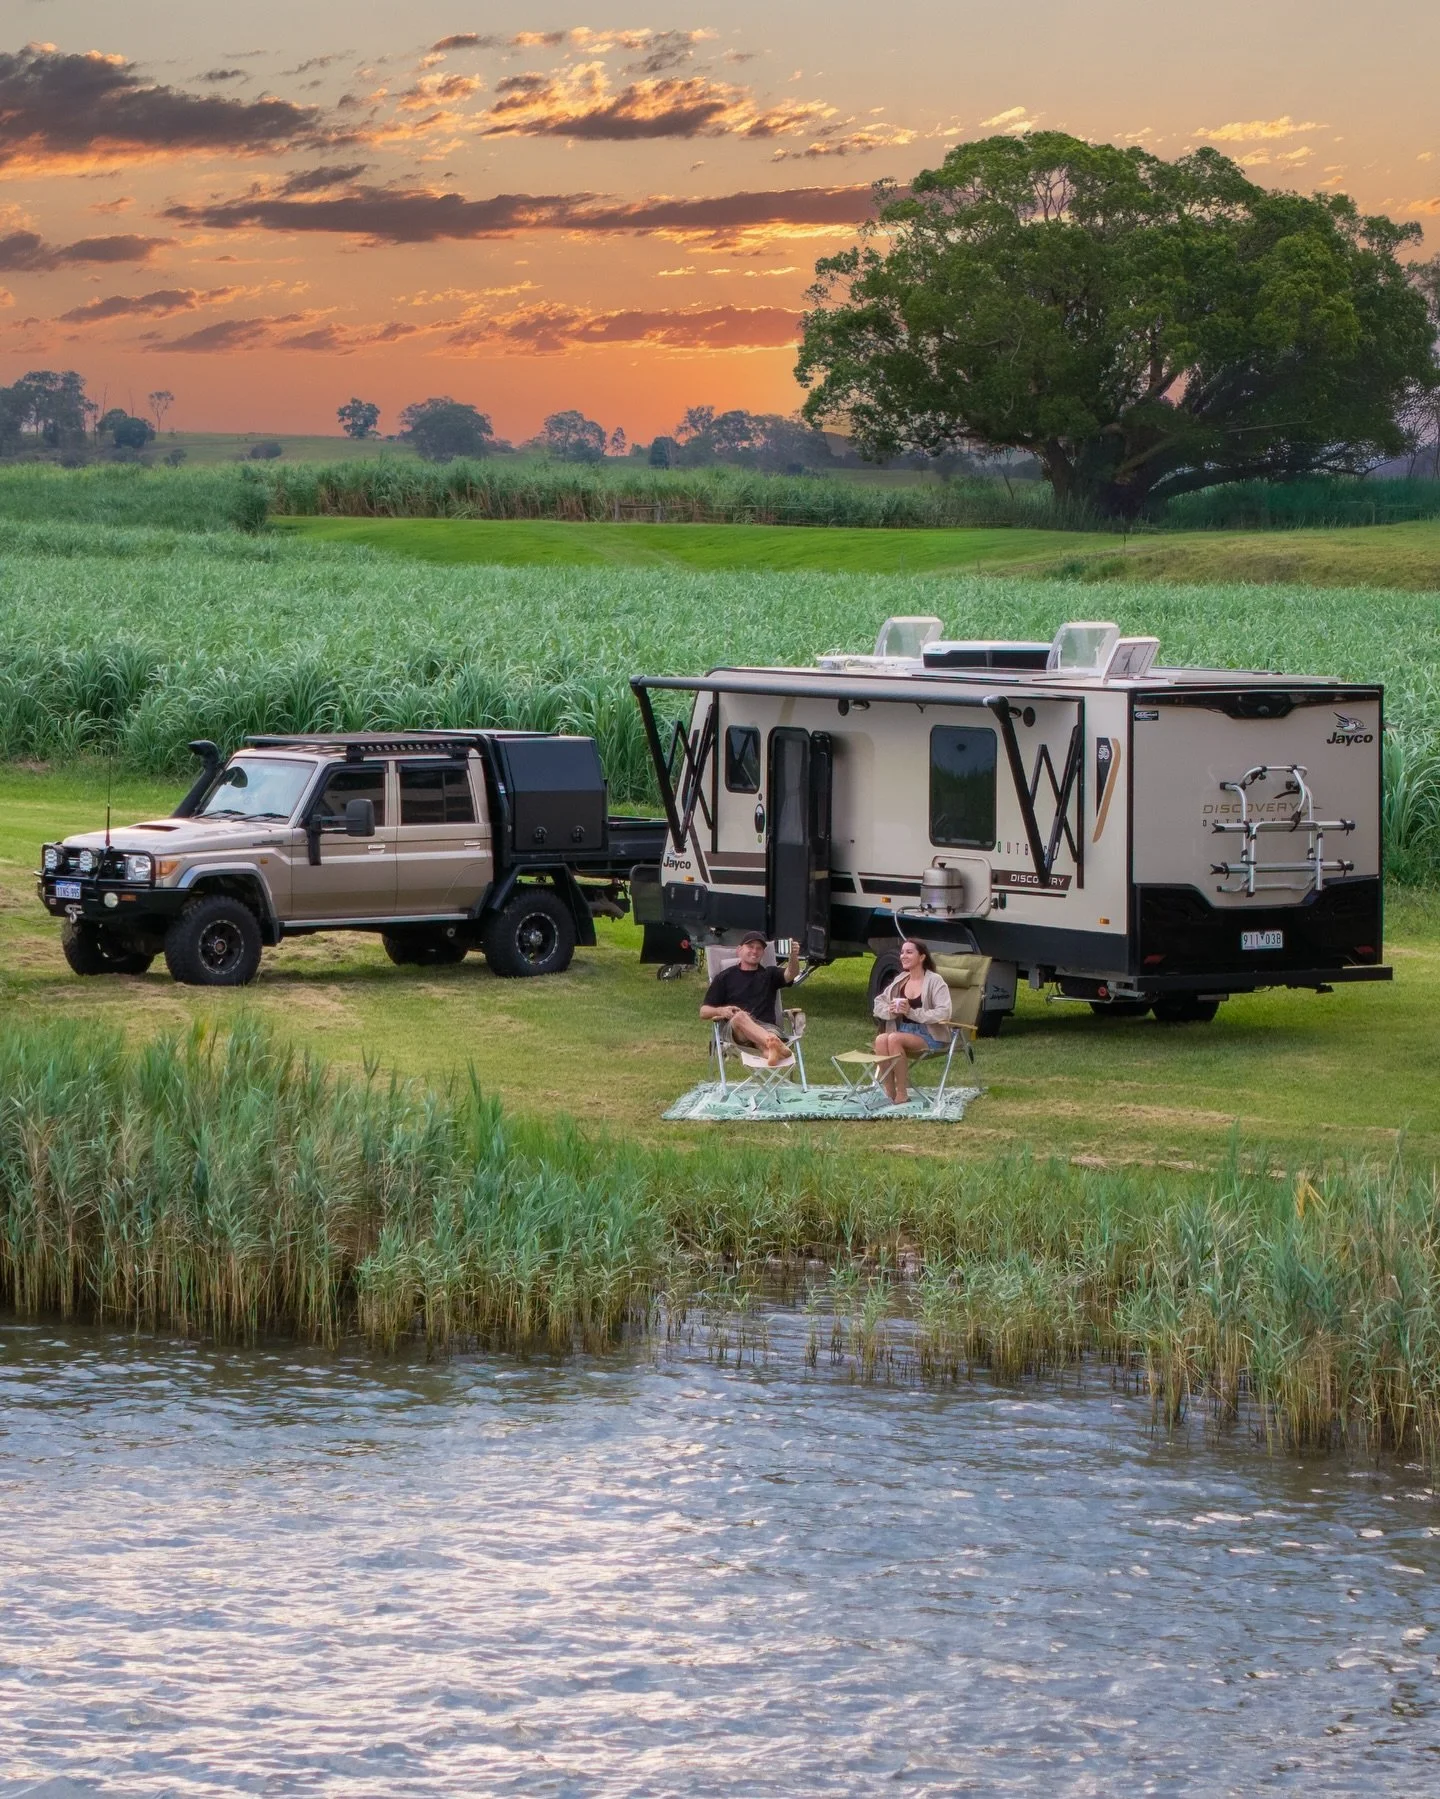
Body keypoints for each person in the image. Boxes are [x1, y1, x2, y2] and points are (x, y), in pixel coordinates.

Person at [700, 932, 801, 1067]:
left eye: (759, 948)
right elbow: (703, 1011)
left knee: (769, 1050)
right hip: (738, 1032)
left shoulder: (769, 974)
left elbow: (791, 973)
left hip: (768, 1028)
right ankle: (773, 1042)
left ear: (763, 953)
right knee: (740, 1016)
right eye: (750, 946)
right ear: (739, 950)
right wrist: (722, 1010)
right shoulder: (724, 977)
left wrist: (793, 956)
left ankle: (774, 1047)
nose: (755, 951)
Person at [872, 938, 952, 1105]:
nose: (903, 956)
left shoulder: (935, 981)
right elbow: (878, 1002)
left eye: (909, 952)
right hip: (904, 1030)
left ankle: (902, 1092)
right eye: (902, 952)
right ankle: (890, 1090)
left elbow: (944, 1012)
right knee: (881, 1039)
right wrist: (890, 1011)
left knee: (893, 1038)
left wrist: (912, 1012)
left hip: (930, 1035)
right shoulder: (901, 979)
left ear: (922, 957)